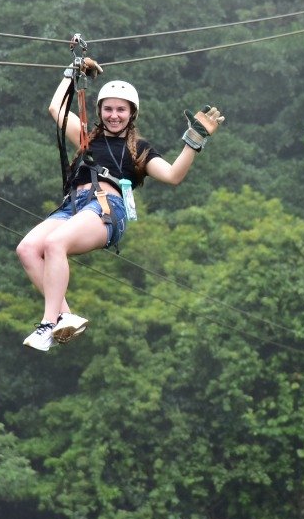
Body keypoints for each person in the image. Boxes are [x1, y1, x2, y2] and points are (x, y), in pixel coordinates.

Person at [15, 58, 224, 351]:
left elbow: (173, 175)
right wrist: (72, 73)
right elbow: (56, 108)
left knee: (54, 244)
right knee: (27, 249)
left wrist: (194, 141)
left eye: (121, 110)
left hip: (106, 208)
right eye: (109, 109)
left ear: (132, 113)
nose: (114, 116)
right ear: (100, 111)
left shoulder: (140, 150)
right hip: (73, 206)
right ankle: (64, 315)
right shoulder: (88, 137)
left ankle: (49, 323)